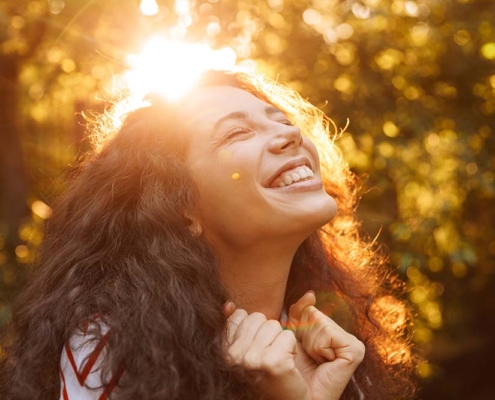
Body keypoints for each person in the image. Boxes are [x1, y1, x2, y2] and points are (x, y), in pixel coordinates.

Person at [0, 70, 418, 399]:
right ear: (179, 206)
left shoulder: (334, 351)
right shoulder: (111, 350)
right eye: (237, 133)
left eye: (283, 121)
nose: (290, 134)